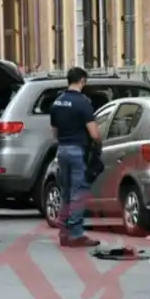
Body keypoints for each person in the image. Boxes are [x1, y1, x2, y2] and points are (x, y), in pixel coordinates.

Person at [49, 67, 101, 248]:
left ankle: (63, 232)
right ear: (82, 81)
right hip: (78, 150)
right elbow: (94, 133)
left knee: (66, 193)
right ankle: (76, 234)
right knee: (78, 193)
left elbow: (54, 132)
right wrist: (98, 143)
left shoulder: (57, 102)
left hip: (62, 149)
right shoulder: (83, 103)